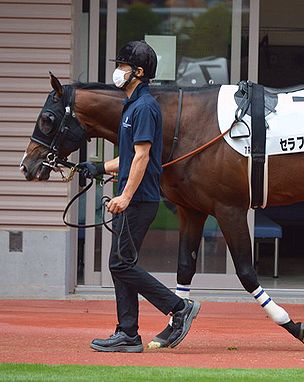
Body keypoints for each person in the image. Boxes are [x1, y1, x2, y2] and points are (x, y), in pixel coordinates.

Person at [78, 40, 200, 352]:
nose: (117, 72)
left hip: (140, 199)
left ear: (139, 72)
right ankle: (128, 333)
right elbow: (131, 157)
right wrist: (99, 167)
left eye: (122, 66)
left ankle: (178, 307)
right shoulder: (132, 106)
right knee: (120, 263)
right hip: (134, 197)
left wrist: (126, 197)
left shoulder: (144, 107)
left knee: (120, 264)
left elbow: (143, 157)